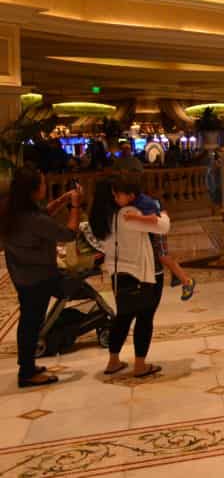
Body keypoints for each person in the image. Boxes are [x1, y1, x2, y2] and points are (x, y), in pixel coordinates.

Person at [0, 166, 82, 388]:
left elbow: (43, 215)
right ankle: (26, 373)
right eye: (43, 184)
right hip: (36, 277)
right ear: (34, 190)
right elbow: (69, 234)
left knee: (29, 321)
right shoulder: (31, 219)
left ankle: (27, 366)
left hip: (22, 273)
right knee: (31, 323)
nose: (46, 187)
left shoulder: (12, 209)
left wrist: (63, 199)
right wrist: (75, 206)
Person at [90, 177, 170, 379]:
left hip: (119, 274)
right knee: (145, 318)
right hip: (141, 273)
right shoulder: (128, 214)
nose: (116, 196)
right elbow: (162, 227)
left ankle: (113, 361)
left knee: (123, 316)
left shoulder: (105, 217)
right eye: (115, 193)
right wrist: (164, 213)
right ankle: (140, 365)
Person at [133, 186, 195, 300]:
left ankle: (186, 281)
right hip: (153, 230)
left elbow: (158, 216)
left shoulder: (147, 201)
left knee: (163, 256)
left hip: (157, 230)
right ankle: (175, 274)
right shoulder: (145, 200)